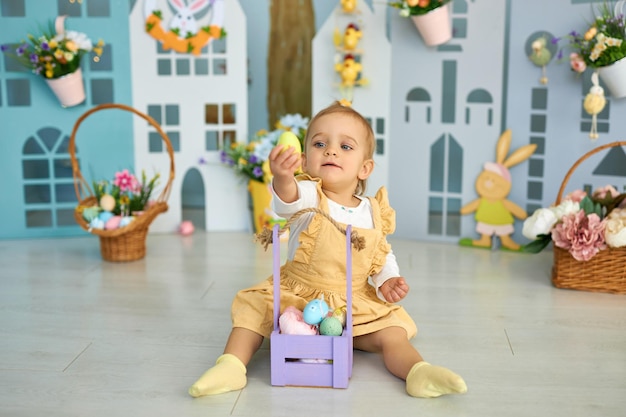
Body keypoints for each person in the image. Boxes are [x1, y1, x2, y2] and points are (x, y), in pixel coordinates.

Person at [188, 102, 467, 398]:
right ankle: (231, 366)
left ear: (364, 168)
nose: (331, 151)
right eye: (321, 144)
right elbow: (287, 199)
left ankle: (418, 372)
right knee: (253, 313)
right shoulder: (309, 194)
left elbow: (380, 253)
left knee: (393, 332)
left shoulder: (373, 211)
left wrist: (387, 279)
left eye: (345, 146)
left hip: (351, 299)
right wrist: (283, 176)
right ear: (305, 161)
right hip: (299, 292)